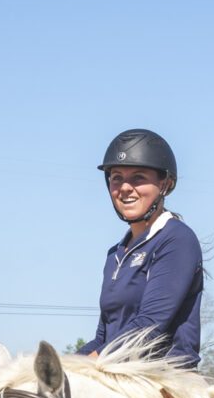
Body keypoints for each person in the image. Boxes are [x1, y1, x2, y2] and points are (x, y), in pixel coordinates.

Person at [76, 129, 202, 368]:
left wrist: (87, 367)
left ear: (166, 183)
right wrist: (62, 364)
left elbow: (150, 326)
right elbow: (103, 338)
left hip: (165, 379)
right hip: (117, 373)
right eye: (116, 178)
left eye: (138, 178)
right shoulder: (115, 254)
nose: (124, 187)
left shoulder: (177, 239)